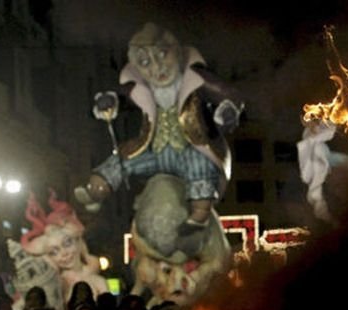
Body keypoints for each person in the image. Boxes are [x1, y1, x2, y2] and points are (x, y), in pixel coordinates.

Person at [75, 22, 243, 258]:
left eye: (163, 55)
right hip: (154, 150)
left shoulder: (195, 78)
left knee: (199, 167)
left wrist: (227, 111)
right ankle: (97, 189)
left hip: (190, 147)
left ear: (177, 51)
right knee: (122, 159)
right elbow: (119, 98)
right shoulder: (139, 86)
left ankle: (198, 216)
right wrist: (109, 102)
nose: (157, 68)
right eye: (145, 63)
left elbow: (228, 94)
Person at [22, 192, 109, 304]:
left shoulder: (98, 281)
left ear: (78, 242)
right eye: (54, 252)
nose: (64, 254)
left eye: (67, 243)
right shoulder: (56, 285)